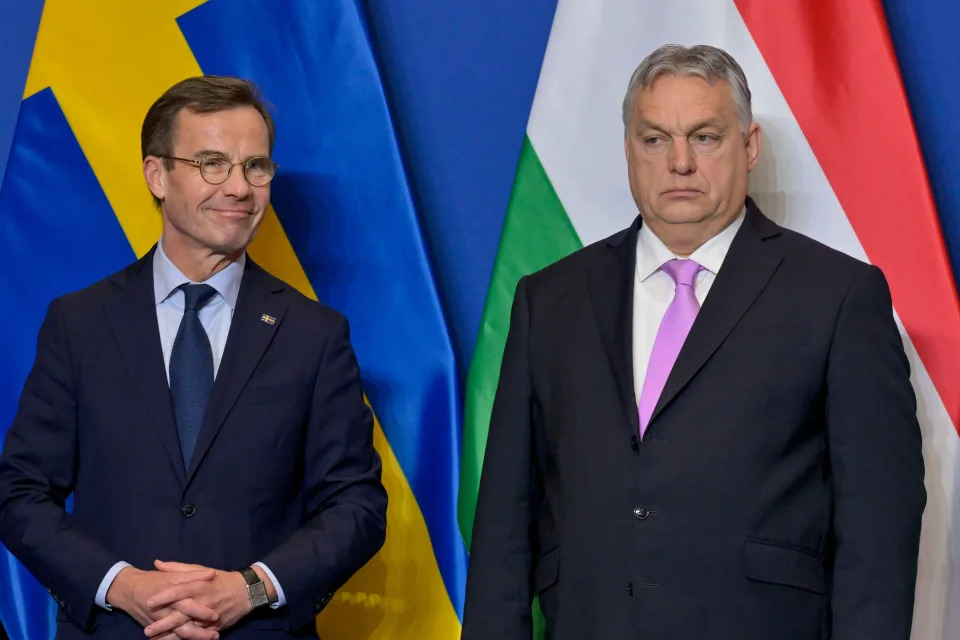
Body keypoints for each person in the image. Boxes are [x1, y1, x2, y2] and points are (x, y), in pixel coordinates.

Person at [462, 44, 925, 639]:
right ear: (628, 150)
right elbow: (505, 519)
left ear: (749, 146)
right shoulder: (548, 300)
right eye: (654, 139)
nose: (679, 162)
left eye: (704, 137)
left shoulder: (837, 296)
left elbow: (878, 527)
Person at [0, 76, 387, 640]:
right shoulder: (78, 323)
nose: (239, 187)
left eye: (256, 166)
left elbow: (355, 506)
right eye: (212, 163)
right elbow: (20, 493)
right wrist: (121, 585)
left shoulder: (315, 334)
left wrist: (248, 589)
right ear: (157, 175)